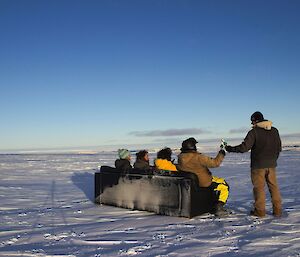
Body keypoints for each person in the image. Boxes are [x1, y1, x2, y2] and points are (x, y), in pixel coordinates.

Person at [225, 111, 282, 218]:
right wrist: (274, 159)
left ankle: (260, 211)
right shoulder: (274, 130)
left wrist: (229, 148)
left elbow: (244, 148)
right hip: (272, 164)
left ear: (255, 120)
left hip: (258, 166)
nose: (252, 124)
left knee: (259, 188)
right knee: (274, 187)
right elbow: (279, 147)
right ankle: (278, 210)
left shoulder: (254, 132)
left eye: (252, 121)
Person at [177, 137, 229, 216]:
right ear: (192, 147)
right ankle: (219, 207)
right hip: (204, 182)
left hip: (191, 181)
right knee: (224, 185)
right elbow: (215, 163)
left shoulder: (181, 157)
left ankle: (212, 202)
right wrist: (222, 152)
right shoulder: (198, 157)